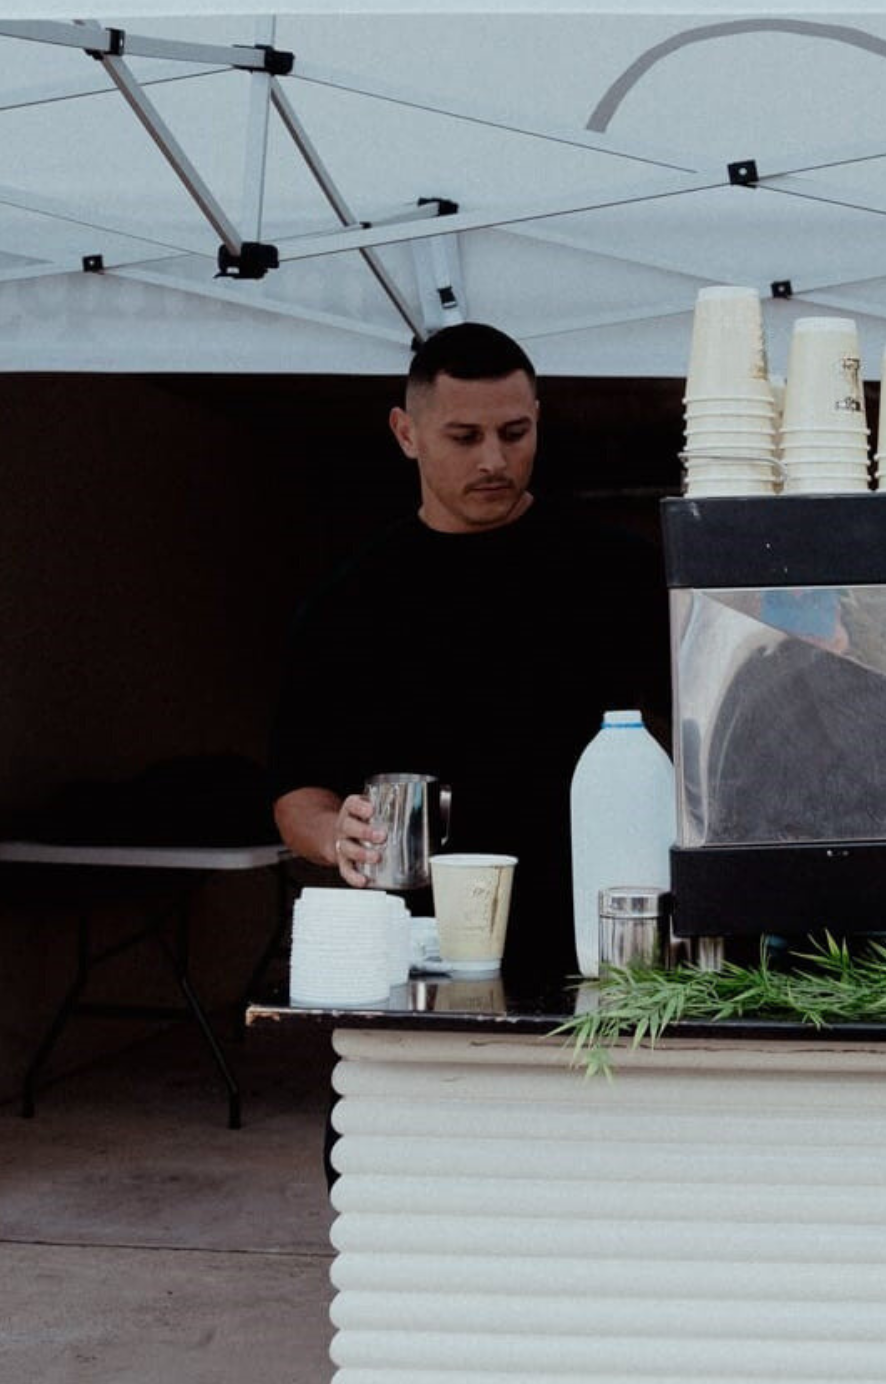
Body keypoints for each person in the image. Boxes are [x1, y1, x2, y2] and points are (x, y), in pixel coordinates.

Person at [270, 322, 671, 982]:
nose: (494, 460)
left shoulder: (617, 574)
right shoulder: (351, 601)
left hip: (597, 945)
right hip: (417, 953)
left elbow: (707, 736)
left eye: (514, 433)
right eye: (464, 437)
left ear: (537, 419)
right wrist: (336, 832)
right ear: (406, 433)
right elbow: (297, 791)